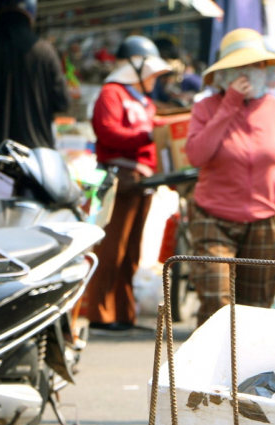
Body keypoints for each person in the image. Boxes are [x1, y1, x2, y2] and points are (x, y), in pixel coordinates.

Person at [184, 28, 275, 327]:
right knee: (218, 304)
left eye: (256, 65)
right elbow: (196, 155)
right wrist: (229, 105)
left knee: (257, 311)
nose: (250, 73)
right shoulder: (206, 107)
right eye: (241, 67)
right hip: (213, 218)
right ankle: (211, 372)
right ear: (225, 73)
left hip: (263, 222)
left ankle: (246, 373)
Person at [86, 36, 171, 333]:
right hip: (119, 178)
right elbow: (107, 131)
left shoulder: (143, 100)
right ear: (135, 66)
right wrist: (148, 136)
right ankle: (100, 312)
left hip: (142, 180)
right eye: (152, 72)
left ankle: (124, 313)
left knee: (132, 251)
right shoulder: (111, 93)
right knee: (112, 247)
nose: (155, 79)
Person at [0, 0, 71, 191]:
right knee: (32, 213)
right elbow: (63, 104)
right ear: (31, 14)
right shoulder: (46, 52)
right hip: (36, 157)